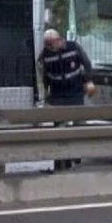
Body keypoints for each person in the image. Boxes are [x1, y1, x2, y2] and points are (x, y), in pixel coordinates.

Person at [38, 29, 95, 171]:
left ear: (59, 40)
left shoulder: (73, 48)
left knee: (80, 126)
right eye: (47, 45)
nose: (49, 47)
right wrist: (44, 96)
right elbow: (42, 75)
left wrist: (88, 81)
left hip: (75, 93)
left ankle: (76, 155)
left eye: (51, 44)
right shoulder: (45, 55)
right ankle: (60, 162)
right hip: (57, 97)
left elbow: (87, 64)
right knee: (59, 131)